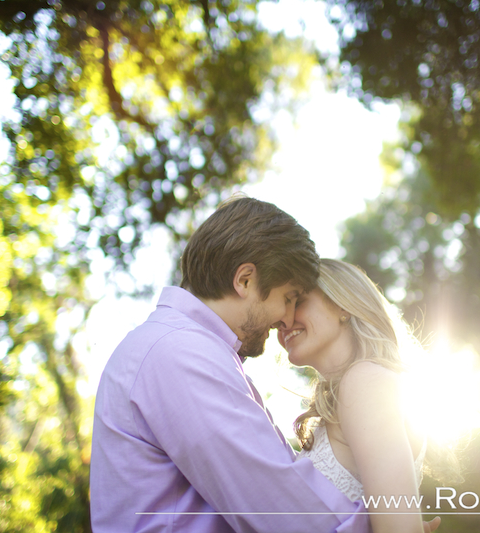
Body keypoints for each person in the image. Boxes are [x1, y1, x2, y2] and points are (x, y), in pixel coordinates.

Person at [89, 197, 372, 533]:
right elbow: (273, 499)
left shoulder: (189, 350)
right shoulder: (179, 353)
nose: (288, 318)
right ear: (245, 281)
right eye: (289, 297)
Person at [279, 259, 459, 533]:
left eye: (297, 301)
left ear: (342, 305)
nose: (284, 318)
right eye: (283, 305)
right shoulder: (358, 388)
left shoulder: (365, 380)